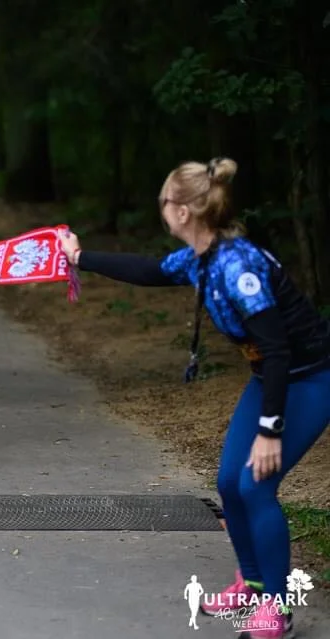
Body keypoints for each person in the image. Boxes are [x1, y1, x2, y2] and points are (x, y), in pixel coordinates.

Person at [57, 157, 330, 639]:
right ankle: (253, 580)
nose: (161, 209)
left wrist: (271, 430)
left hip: (308, 379)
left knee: (255, 487)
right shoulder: (203, 258)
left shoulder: (237, 265)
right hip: (271, 376)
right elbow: (148, 270)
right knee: (228, 482)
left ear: (182, 211)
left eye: (164, 201)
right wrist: (80, 257)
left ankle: (278, 608)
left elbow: (278, 349)